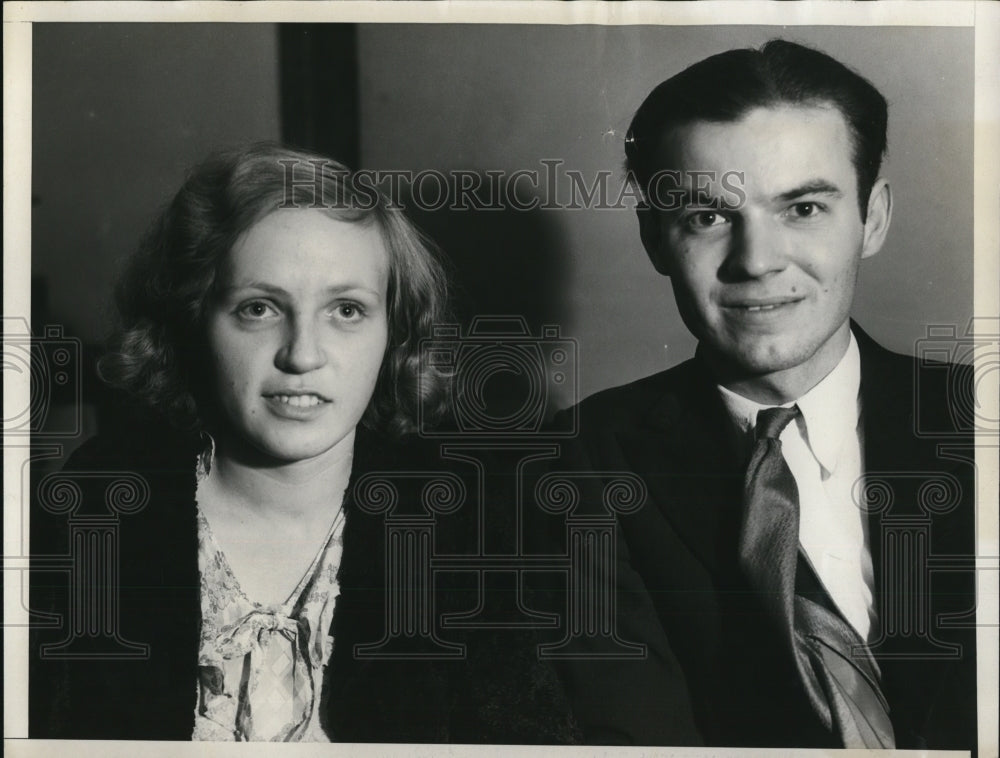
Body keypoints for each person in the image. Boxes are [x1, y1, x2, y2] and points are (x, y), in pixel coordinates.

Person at [29, 143, 578, 743]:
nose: (303, 355)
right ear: (192, 319)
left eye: (346, 310)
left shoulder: (465, 525)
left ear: (395, 331)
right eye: (259, 308)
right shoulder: (93, 510)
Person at [551, 40, 977, 750]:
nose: (756, 260)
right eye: (707, 217)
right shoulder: (582, 466)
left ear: (872, 218)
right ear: (655, 239)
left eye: (803, 208)